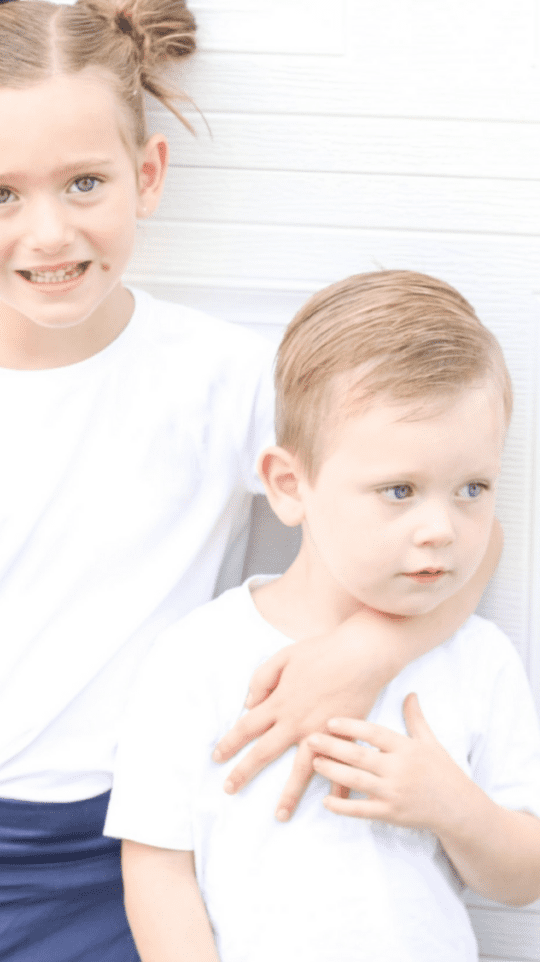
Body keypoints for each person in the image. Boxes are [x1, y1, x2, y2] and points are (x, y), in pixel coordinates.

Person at [0, 0, 501, 957]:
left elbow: (448, 530)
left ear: (145, 173)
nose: (48, 233)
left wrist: (361, 653)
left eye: (82, 182)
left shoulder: (226, 382)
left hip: (164, 836)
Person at [106, 270, 540, 962]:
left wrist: (450, 806)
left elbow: (523, 877)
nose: (441, 529)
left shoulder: (477, 657)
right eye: (398, 490)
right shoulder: (201, 656)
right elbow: (158, 867)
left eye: (471, 488)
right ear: (289, 485)